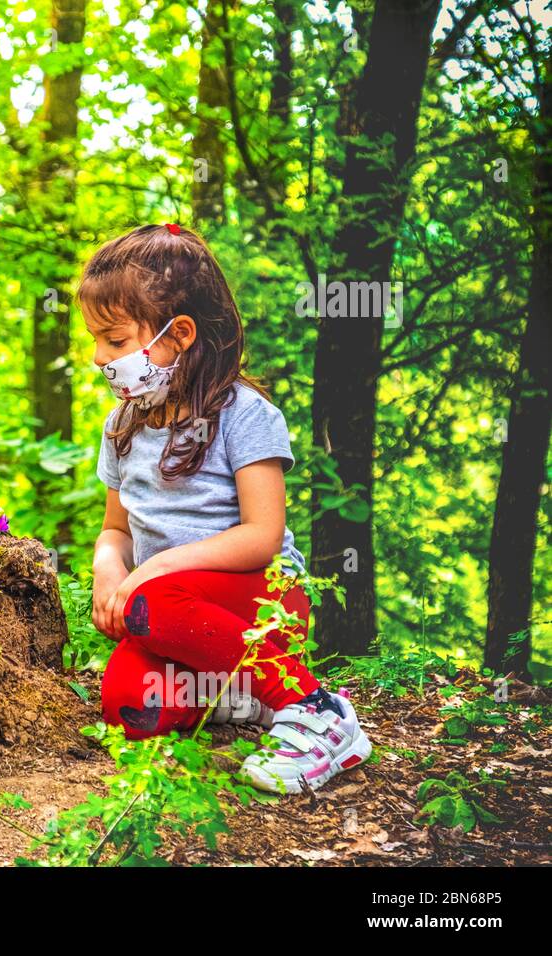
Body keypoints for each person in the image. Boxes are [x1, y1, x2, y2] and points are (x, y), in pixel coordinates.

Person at [84, 223, 371, 794]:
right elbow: (116, 529)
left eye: (115, 341)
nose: (99, 358)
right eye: (96, 341)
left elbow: (262, 537)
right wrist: (108, 567)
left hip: (261, 604)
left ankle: (317, 712)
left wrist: (149, 573)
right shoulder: (121, 426)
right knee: (128, 708)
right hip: (176, 619)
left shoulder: (245, 414)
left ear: (180, 333)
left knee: (152, 601)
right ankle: (240, 696)